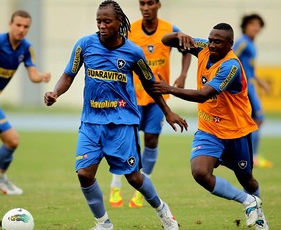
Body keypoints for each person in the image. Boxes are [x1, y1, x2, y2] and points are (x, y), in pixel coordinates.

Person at [44, 1, 188, 229]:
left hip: (121, 123)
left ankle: (163, 211)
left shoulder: (132, 51)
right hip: (91, 122)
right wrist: (55, 92)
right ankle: (104, 223)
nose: (102, 25)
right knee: (84, 173)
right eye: (98, 21)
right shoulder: (84, 45)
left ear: (119, 22)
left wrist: (168, 112)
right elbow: (68, 75)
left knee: (134, 177)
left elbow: (151, 85)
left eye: (107, 21)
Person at [150, 23, 269, 229]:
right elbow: (164, 41)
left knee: (248, 180)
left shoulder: (230, 66)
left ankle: (260, 216)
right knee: (200, 172)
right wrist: (179, 35)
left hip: (235, 132)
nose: (212, 45)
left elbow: (204, 95)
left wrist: (167, 88)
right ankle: (248, 201)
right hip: (209, 130)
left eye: (218, 42)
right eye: (211, 39)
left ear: (230, 45)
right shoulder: (203, 47)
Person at [109, 0, 191, 209]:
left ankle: (142, 187)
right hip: (131, 96)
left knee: (152, 140)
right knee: (127, 141)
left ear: (158, 5)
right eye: (142, 4)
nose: (145, 8)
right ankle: (115, 184)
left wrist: (182, 75)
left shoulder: (169, 30)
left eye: (150, 4)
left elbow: (187, 49)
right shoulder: (130, 30)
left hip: (157, 96)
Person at [0, 10, 51, 195]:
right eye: (18, 25)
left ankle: (0, 178)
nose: (21, 29)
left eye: (26, 26)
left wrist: (41, 77)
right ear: (10, 24)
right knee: (12, 139)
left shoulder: (26, 48)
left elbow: (33, 74)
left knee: (11, 142)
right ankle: (0, 179)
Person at [233, 14, 272, 168]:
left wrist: (261, 82)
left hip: (252, 86)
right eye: (252, 24)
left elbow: (249, 69)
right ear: (245, 26)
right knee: (257, 120)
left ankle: (247, 155)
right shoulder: (242, 42)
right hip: (245, 89)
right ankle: (253, 156)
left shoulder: (251, 44)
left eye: (258, 25)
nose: (256, 28)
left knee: (249, 122)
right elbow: (231, 58)